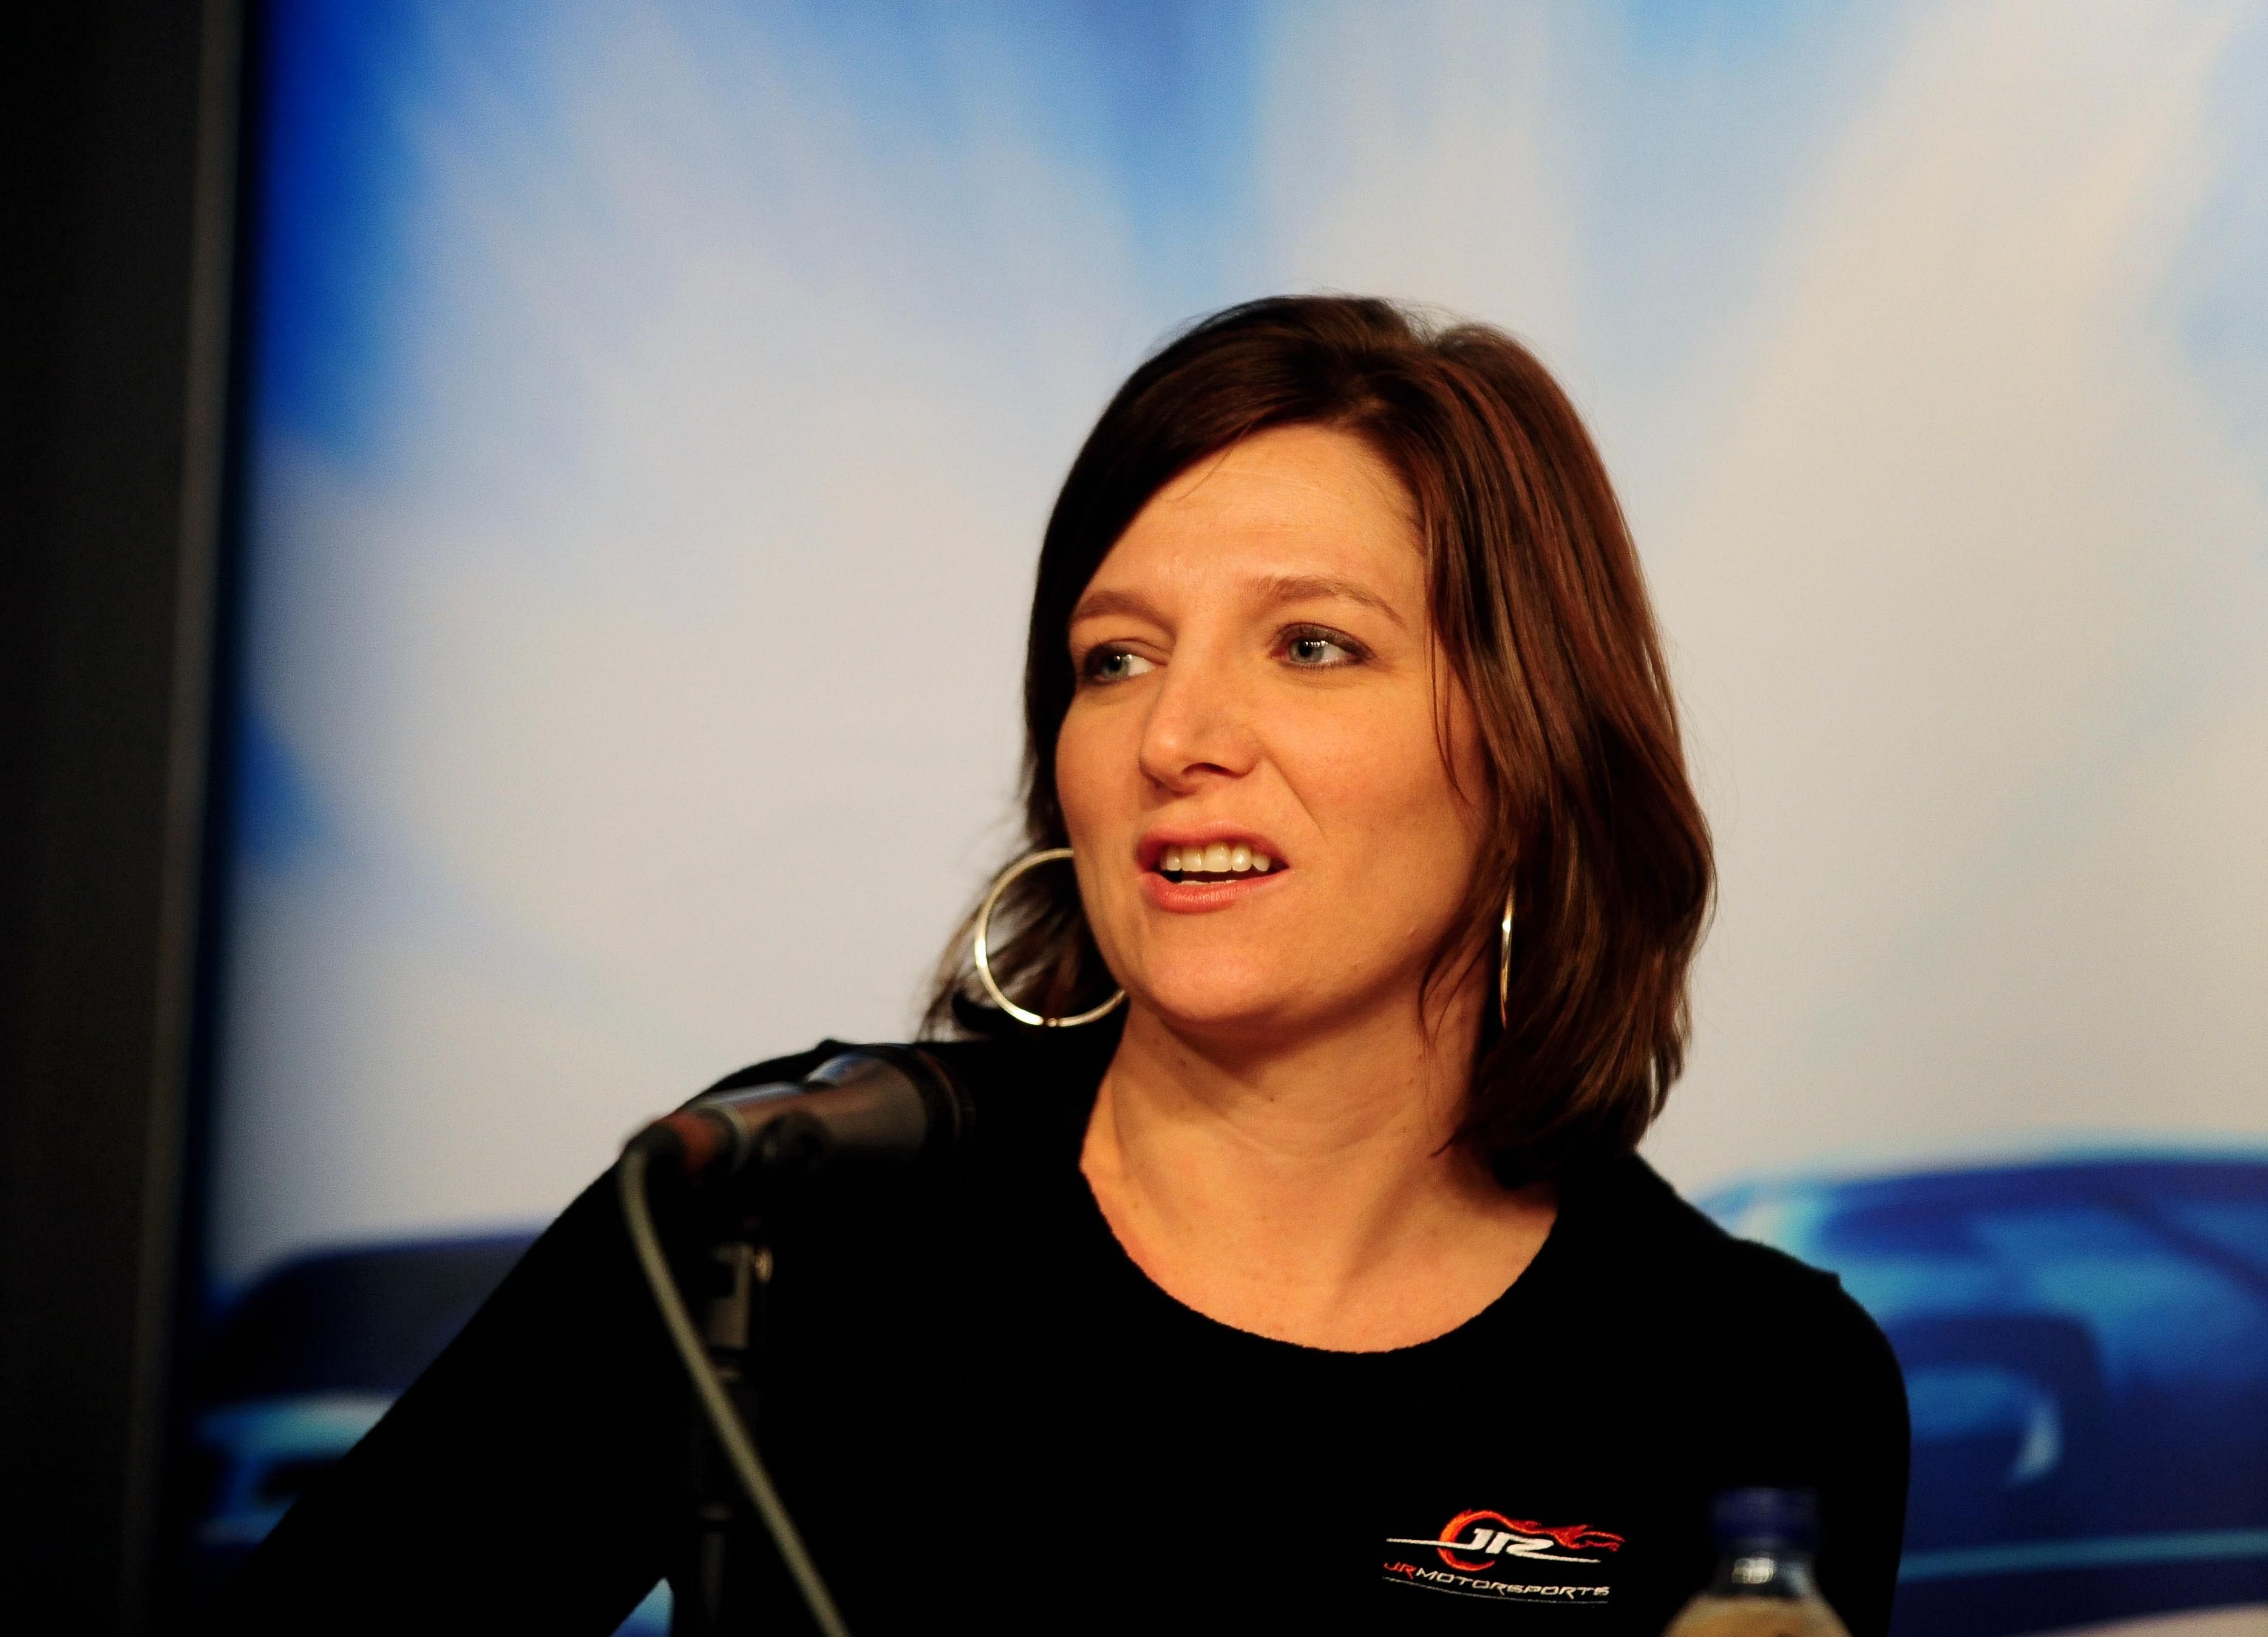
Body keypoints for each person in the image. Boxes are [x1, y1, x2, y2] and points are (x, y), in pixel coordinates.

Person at [211, 296, 1908, 1634]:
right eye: (1116, 659)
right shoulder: (781, 1214)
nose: (1179, 734)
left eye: (1313, 646)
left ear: (1533, 749)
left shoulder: (1755, 1393)